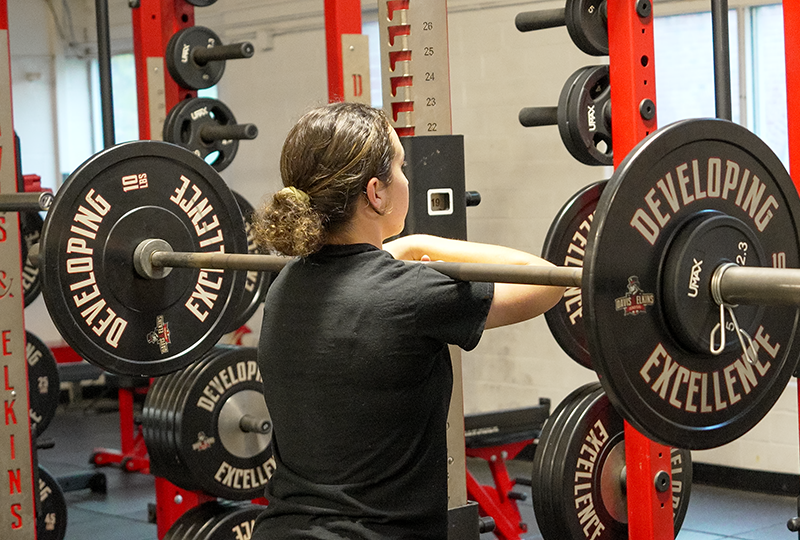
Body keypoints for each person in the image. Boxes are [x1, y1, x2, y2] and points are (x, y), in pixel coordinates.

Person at [250, 102, 563, 539]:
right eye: (401, 167)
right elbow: (548, 282)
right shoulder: (408, 292)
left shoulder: (285, 285)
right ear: (376, 193)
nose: (407, 180)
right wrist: (415, 242)